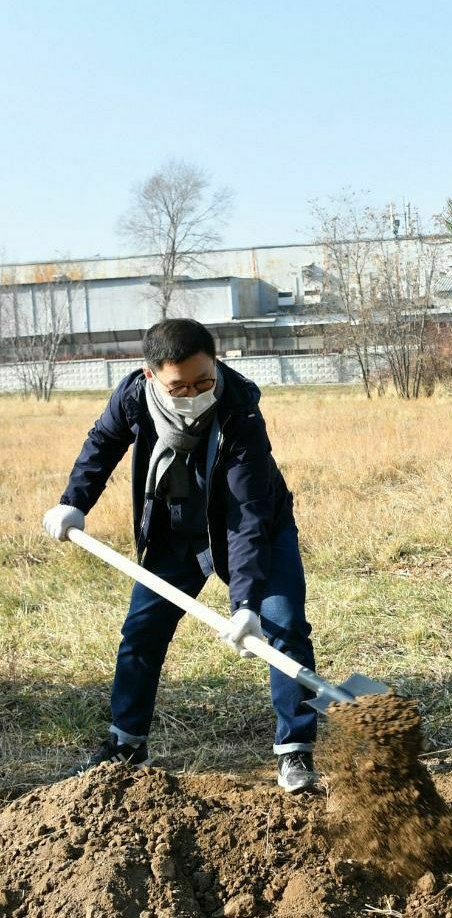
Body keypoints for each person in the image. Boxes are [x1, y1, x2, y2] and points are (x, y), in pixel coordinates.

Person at [41, 318, 320, 792]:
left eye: (203, 380)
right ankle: (127, 742)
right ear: (151, 376)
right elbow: (102, 443)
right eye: (180, 385)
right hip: (175, 532)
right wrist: (74, 502)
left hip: (256, 530)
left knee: (283, 626)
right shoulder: (133, 397)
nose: (193, 392)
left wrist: (247, 603)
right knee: (142, 633)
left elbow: (247, 513)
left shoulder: (240, 411)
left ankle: (294, 752)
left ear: (215, 364)